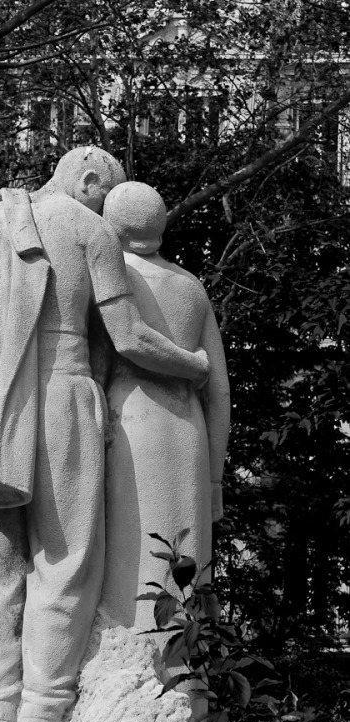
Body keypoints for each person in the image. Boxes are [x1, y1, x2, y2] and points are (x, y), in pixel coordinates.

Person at [0, 148, 210, 722]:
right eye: (107, 194)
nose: (109, 208)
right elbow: (126, 336)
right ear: (91, 178)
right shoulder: (85, 227)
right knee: (66, 563)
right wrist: (193, 364)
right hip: (59, 400)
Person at [100, 181, 230, 630]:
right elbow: (220, 391)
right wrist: (215, 478)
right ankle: (186, 681)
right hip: (188, 429)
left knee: (129, 558)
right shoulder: (190, 287)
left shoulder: (112, 277)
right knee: (186, 562)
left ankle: (131, 669)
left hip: (132, 423)